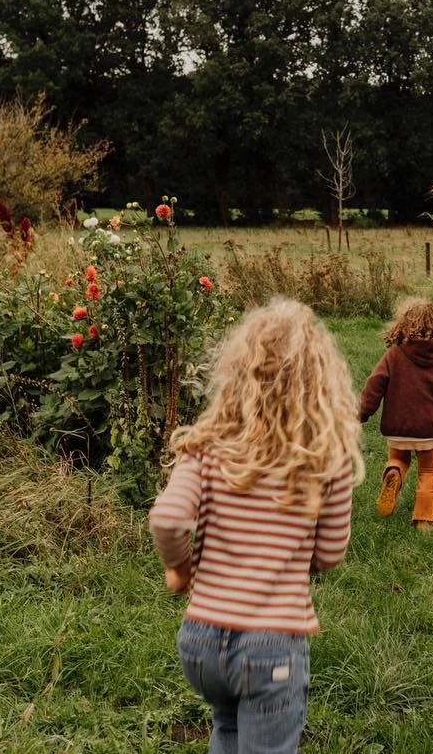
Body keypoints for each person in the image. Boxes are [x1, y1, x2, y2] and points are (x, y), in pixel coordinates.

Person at [149, 298, 364, 754]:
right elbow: (330, 555)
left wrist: (179, 570)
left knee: (227, 726)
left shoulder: (206, 447)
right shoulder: (327, 459)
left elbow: (168, 517)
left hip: (201, 644)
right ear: (321, 383)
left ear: (237, 374)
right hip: (272, 649)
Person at [358, 298, 433, 531]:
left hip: (397, 429)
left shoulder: (393, 356)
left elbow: (374, 387)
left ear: (403, 326)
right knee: (428, 472)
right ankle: (424, 520)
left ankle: (393, 472)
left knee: (399, 459)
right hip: (428, 432)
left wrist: (360, 415)